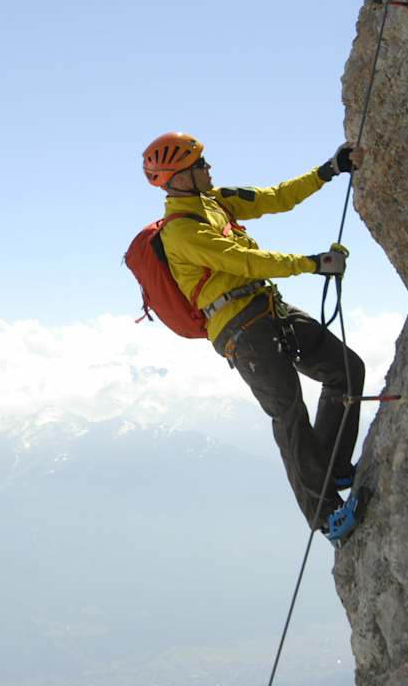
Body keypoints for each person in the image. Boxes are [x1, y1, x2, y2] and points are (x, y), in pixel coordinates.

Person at [142, 131, 366, 544]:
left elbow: (275, 197)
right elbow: (242, 261)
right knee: (288, 413)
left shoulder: (216, 202)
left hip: (266, 308)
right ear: (180, 178)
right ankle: (324, 515)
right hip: (240, 330)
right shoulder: (181, 232)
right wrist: (312, 263)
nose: (209, 168)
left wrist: (328, 171)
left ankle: (333, 467)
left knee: (345, 369)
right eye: (200, 165)